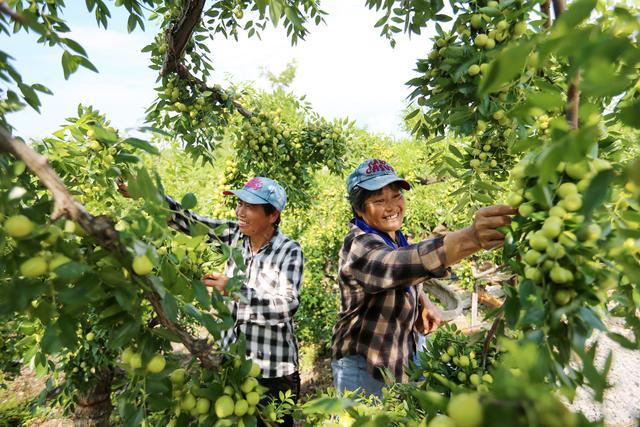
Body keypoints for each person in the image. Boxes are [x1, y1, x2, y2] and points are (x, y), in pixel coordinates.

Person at [119, 177, 303, 427]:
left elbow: (287, 305)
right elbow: (189, 221)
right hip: (232, 364)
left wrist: (234, 288)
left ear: (273, 215)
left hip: (272, 370)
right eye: (239, 203)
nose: (240, 211)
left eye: (249, 206)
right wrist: (146, 193)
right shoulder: (233, 235)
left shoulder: (289, 250)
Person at [331, 159, 516, 397]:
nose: (391, 206)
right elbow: (395, 265)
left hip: (401, 355)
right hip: (364, 367)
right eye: (379, 200)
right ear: (359, 209)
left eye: (396, 196)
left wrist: (422, 302)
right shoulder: (359, 245)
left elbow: (406, 272)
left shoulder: (395, 236)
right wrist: (470, 238)